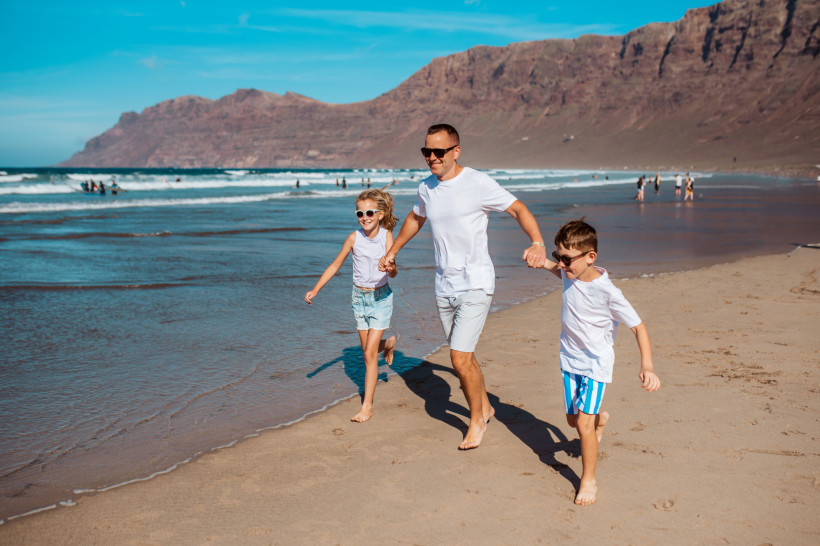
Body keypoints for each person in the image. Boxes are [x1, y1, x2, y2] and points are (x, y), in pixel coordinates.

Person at [379, 123, 547, 450]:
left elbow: (518, 208)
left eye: (438, 152)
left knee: (458, 357)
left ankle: (477, 420)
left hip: (476, 281)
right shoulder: (426, 187)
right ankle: (485, 405)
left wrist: (537, 242)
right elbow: (416, 217)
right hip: (444, 285)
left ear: (456, 151)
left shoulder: (478, 183)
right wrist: (393, 251)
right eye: (426, 151)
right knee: (464, 356)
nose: (431, 157)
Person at [541, 218, 660, 506]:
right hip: (569, 360)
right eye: (558, 256)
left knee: (582, 424)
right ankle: (599, 422)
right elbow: (561, 273)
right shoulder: (571, 274)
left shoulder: (608, 293)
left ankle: (588, 479)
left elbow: (638, 327)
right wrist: (544, 262)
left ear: (590, 257)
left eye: (566, 258)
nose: (562, 263)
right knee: (572, 420)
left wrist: (647, 366)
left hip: (595, 364)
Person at [305, 188, 398, 423]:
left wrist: (390, 267)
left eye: (369, 212)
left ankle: (367, 406)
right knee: (369, 351)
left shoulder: (386, 236)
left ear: (379, 214)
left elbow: (394, 271)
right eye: (360, 213)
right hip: (359, 299)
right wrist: (316, 289)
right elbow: (335, 265)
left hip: (380, 298)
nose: (364, 217)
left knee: (368, 355)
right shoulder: (353, 238)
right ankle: (388, 344)